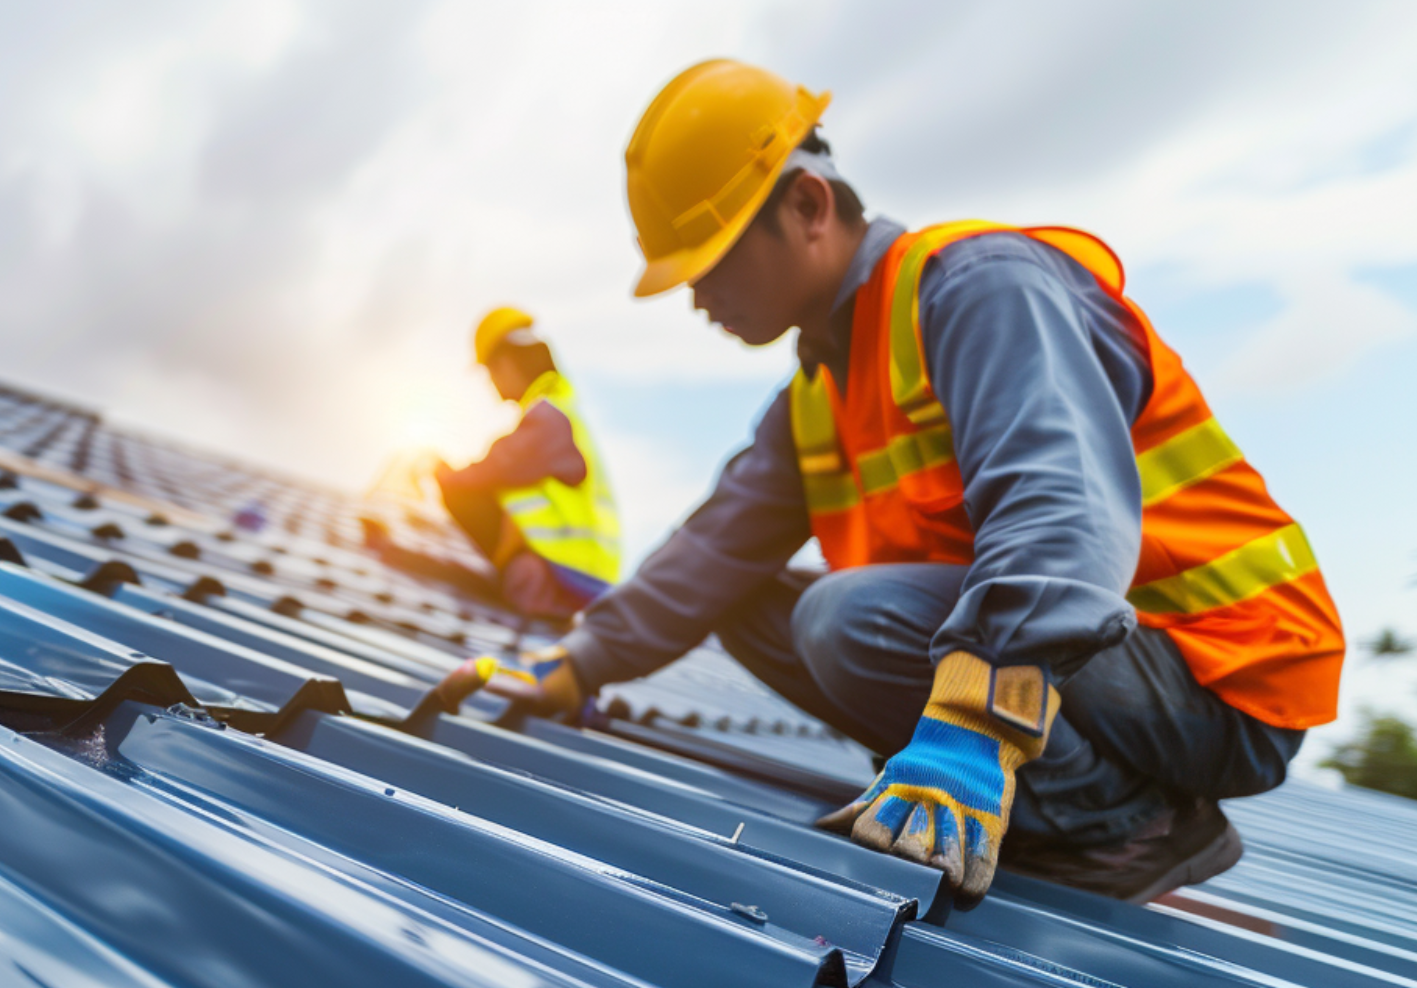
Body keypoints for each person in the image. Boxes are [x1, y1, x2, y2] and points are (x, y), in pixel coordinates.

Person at [431, 60, 1344, 906]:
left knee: (841, 615)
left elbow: (1055, 510)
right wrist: (578, 663)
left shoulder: (979, 288)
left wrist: (971, 720)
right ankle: (1030, 784)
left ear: (809, 204)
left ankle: (1121, 830)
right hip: (1095, 667)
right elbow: (713, 549)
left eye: (710, 265)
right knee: (747, 597)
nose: (697, 299)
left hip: (1222, 672)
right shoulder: (820, 387)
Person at [369, 308, 622, 621]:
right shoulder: (559, 413)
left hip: (558, 582)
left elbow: (490, 470)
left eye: (489, 372)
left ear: (505, 363)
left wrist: (432, 466)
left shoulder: (548, 418)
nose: (490, 384)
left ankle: (515, 580)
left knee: (457, 490)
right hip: (575, 581)